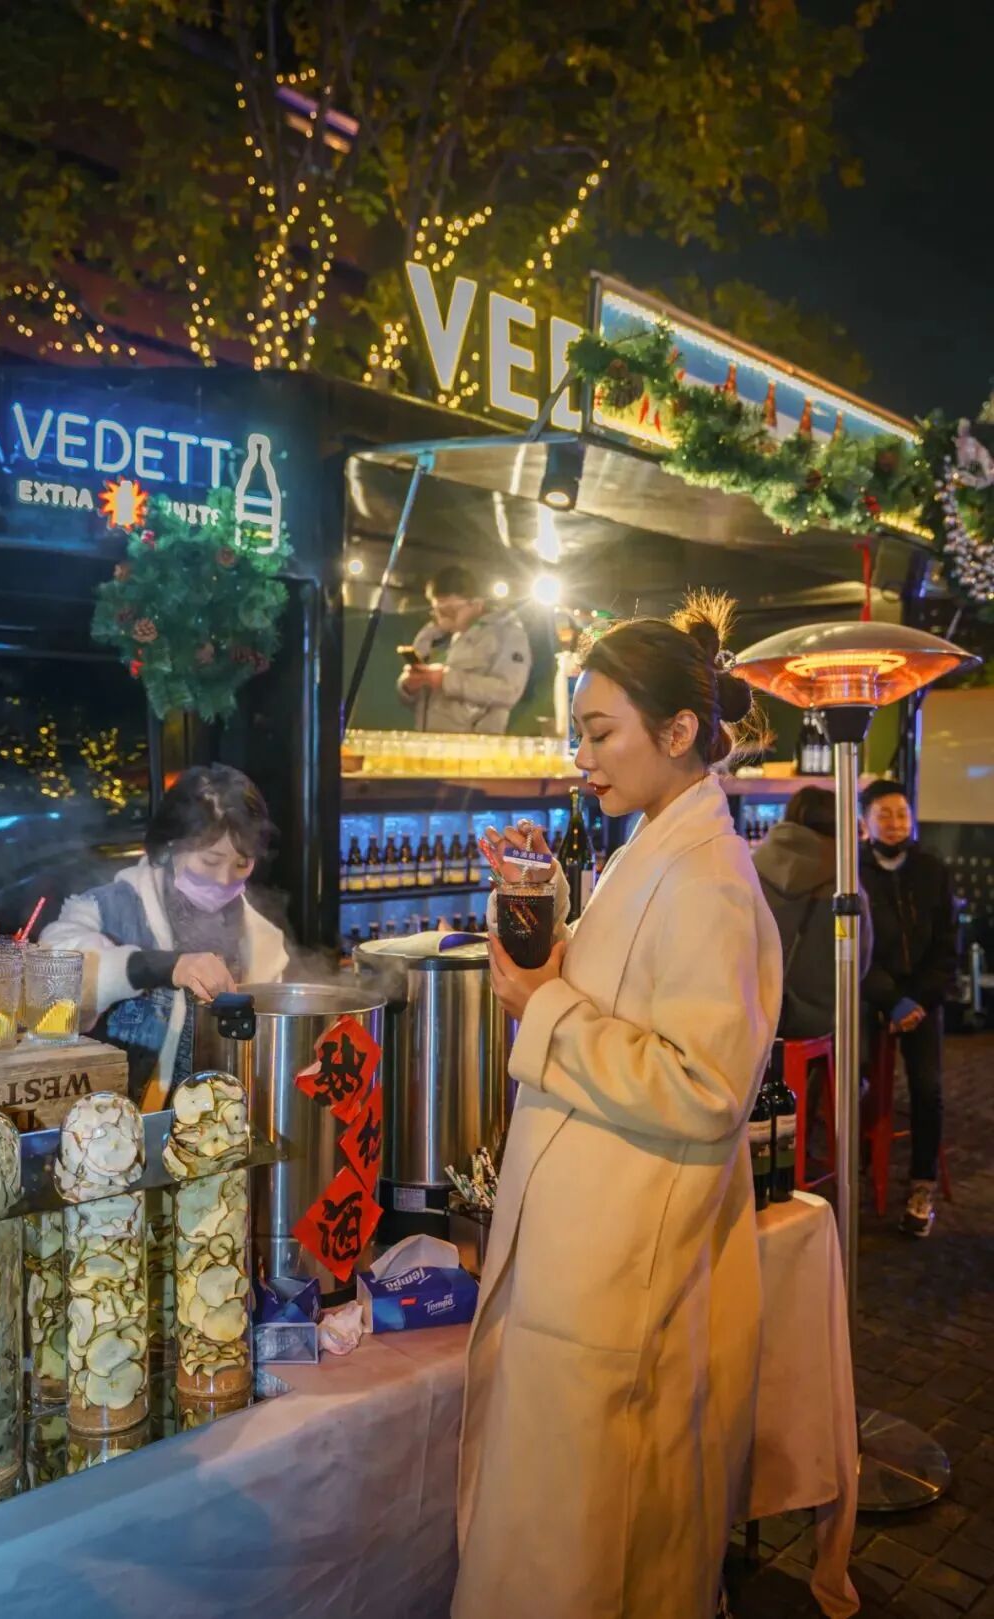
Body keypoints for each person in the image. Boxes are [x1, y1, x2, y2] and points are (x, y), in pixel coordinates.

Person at [453, 593, 783, 1619]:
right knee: (565, 1539)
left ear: (678, 732)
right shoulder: (658, 844)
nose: (582, 757)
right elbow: (628, 981)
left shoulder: (709, 879)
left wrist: (544, 1007)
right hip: (591, 1248)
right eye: (579, 734)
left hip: (621, 1271)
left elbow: (703, 1085)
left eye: (600, 733)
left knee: (592, 1552)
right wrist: (541, 892)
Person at [42, 764, 288, 1110]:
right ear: (171, 846)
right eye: (211, 860)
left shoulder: (262, 941)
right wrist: (161, 966)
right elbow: (50, 980)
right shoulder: (107, 910)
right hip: (122, 1127)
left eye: (241, 864)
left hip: (221, 1125)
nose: (224, 879)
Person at [859, 778, 957, 1238]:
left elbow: (946, 948)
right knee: (853, 1079)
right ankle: (855, 1164)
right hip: (872, 995)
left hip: (921, 1000)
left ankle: (922, 1185)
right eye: (884, 815)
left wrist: (916, 1000)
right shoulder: (852, 871)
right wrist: (890, 999)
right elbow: (855, 950)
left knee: (928, 1087)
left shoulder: (932, 869)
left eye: (902, 814)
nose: (896, 823)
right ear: (864, 823)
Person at [753, 785, 873, 1039]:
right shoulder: (845, 886)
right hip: (819, 1021)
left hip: (756, 1012)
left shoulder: (749, 870)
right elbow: (859, 964)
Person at [396, 563, 530, 733]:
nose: (443, 618)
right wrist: (408, 686)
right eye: (437, 611)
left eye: (450, 611)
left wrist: (446, 680)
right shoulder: (430, 635)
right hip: (428, 741)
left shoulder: (507, 634)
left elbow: (508, 692)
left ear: (477, 604)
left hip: (474, 744)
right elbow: (413, 698)